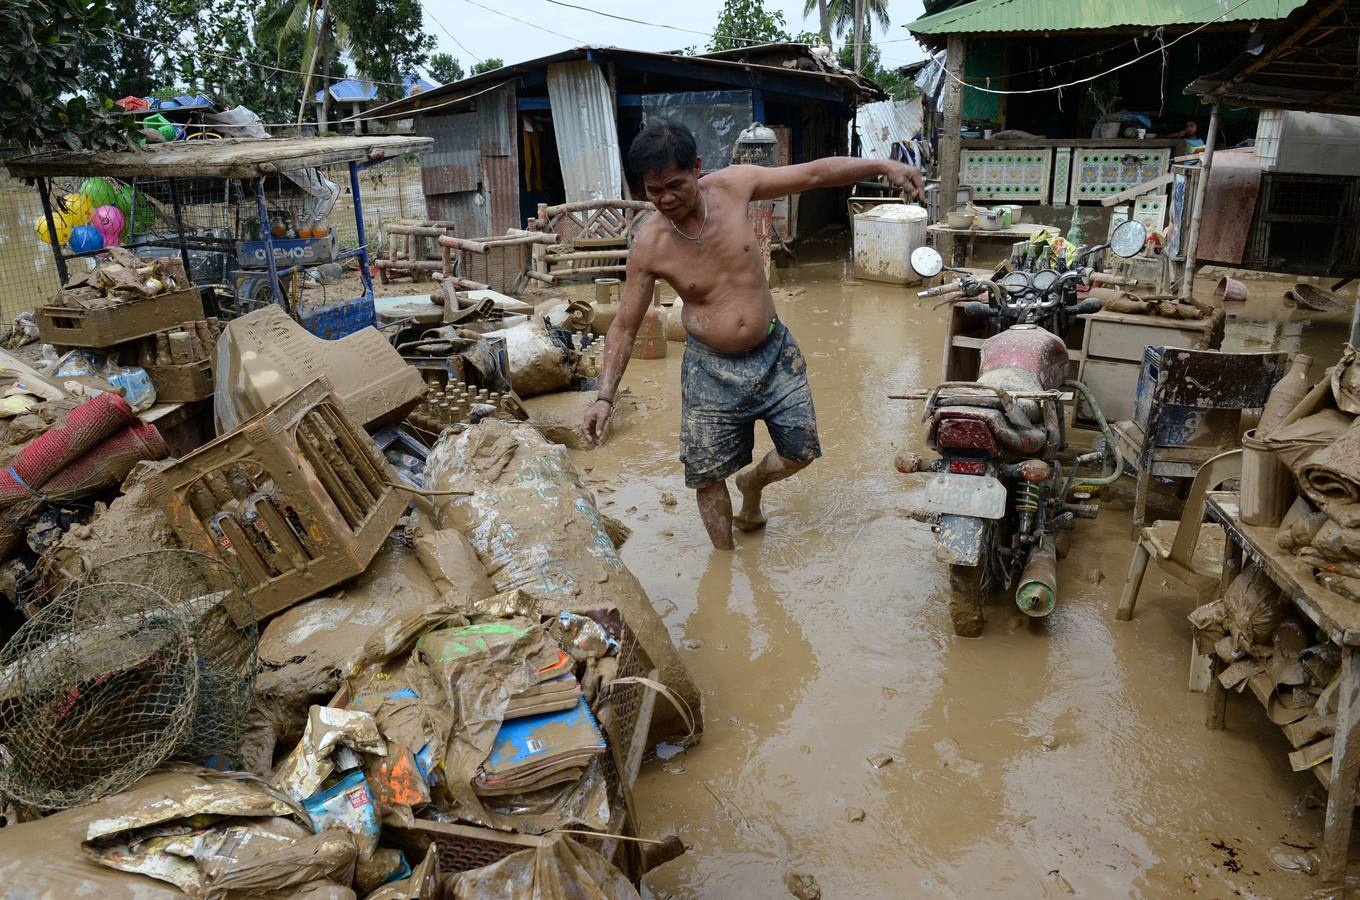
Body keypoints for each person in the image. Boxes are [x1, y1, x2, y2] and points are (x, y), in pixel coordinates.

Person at [582, 120, 923, 550]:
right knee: (706, 477)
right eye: (654, 192)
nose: (666, 199)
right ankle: (724, 566)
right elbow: (625, 326)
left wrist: (883, 166)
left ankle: (754, 484)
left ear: (697, 168)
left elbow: (815, 174)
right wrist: (604, 396)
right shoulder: (650, 245)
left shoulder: (733, 186)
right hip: (709, 370)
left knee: (800, 453)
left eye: (675, 185)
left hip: (774, 352)